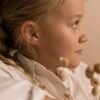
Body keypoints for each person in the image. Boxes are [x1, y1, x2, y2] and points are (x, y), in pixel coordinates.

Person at [0, 0, 98, 100]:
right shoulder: (6, 74)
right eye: (75, 24)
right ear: (33, 33)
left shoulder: (83, 76)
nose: (84, 37)